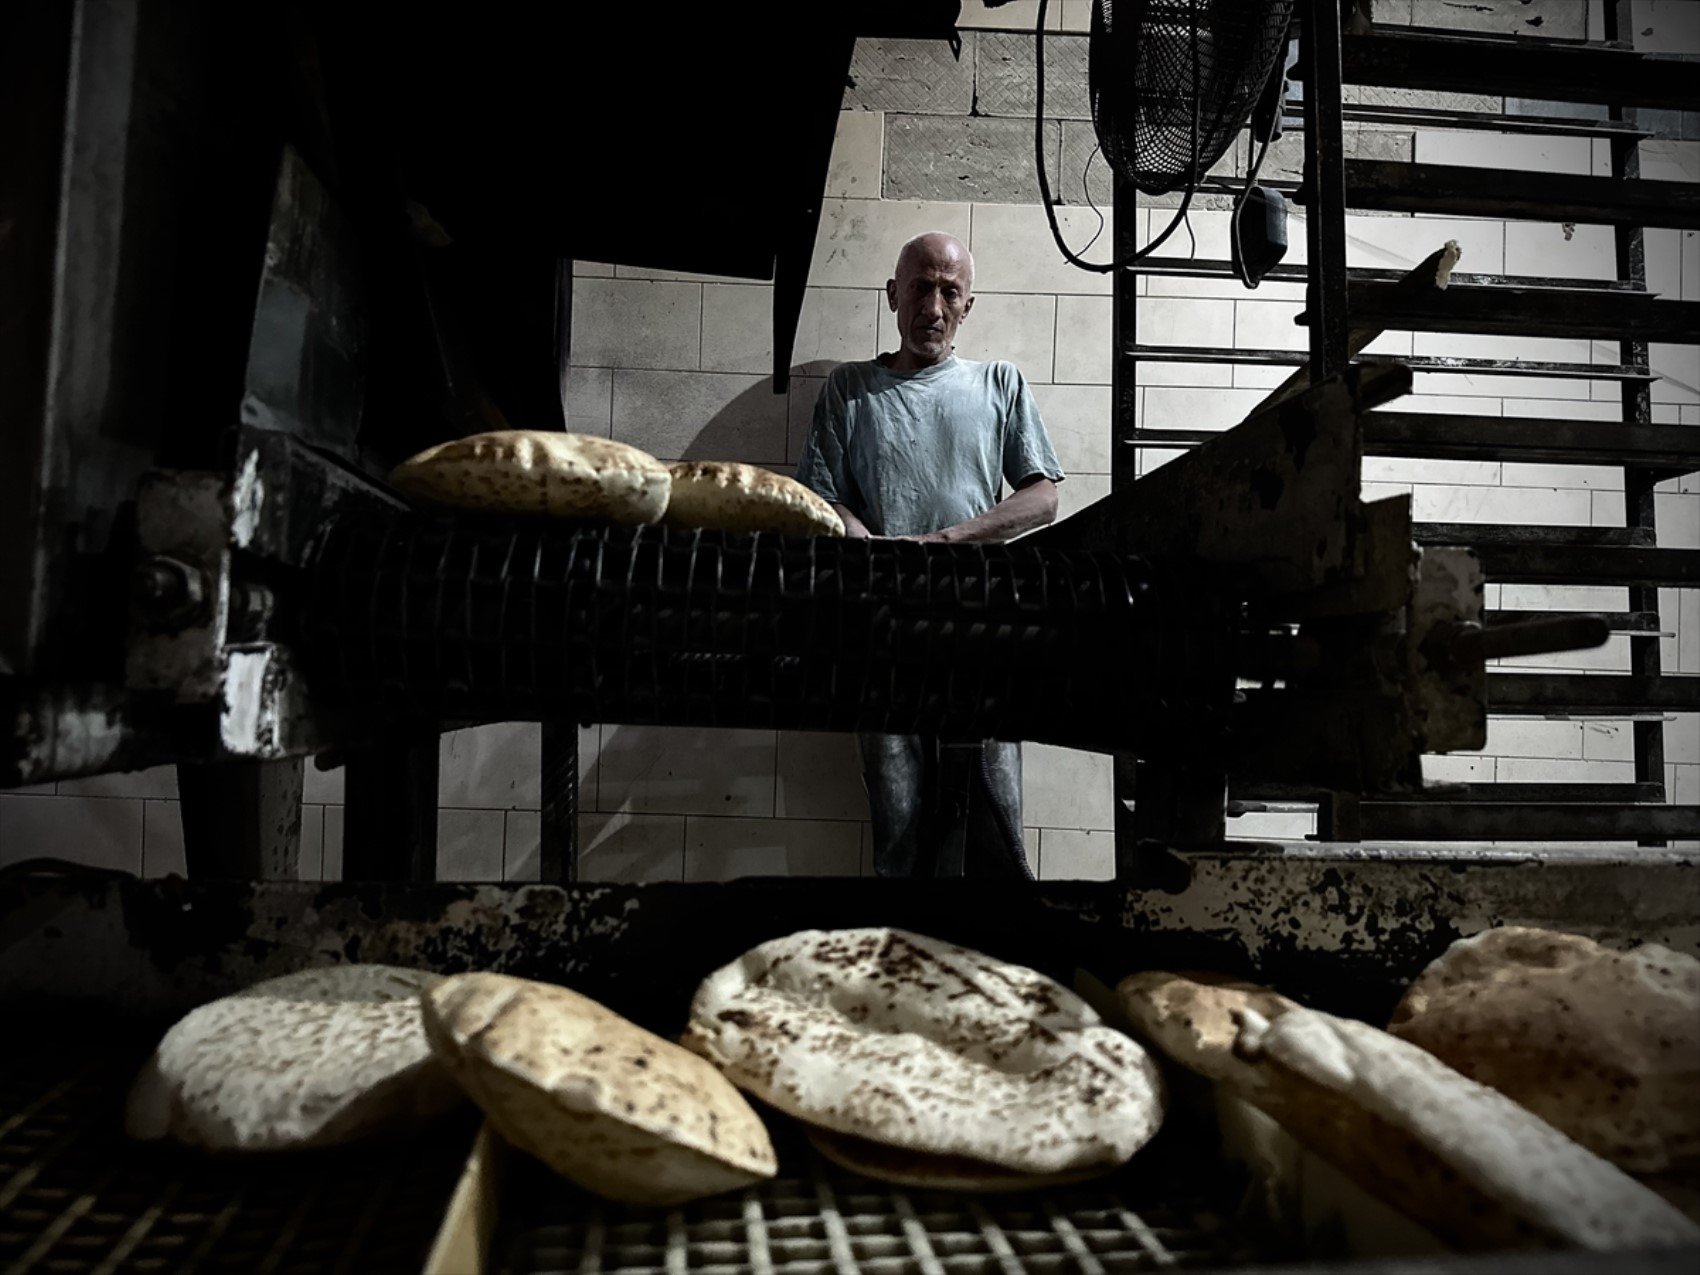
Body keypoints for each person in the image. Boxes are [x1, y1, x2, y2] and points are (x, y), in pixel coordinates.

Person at [794, 232, 1065, 878]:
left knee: (996, 835)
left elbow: (1043, 498)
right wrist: (871, 551)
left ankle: (999, 966)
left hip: (981, 639)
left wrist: (941, 543)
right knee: (901, 836)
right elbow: (814, 498)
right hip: (881, 641)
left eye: (950, 291)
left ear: (968, 306)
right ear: (893, 295)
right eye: (921, 287)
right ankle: (907, 967)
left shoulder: (999, 384)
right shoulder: (850, 390)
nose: (934, 307)